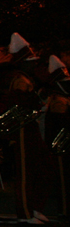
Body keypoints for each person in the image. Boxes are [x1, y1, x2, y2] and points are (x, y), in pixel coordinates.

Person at [0, 33, 52, 224]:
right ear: (22, 63)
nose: (33, 65)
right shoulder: (20, 81)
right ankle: (25, 212)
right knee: (25, 173)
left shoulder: (27, 80)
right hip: (22, 131)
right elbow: (20, 106)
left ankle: (34, 207)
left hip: (30, 129)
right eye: (29, 61)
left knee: (37, 169)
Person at [44, 55, 70, 218]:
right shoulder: (58, 101)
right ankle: (65, 210)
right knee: (64, 178)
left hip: (64, 144)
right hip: (60, 146)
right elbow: (63, 123)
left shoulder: (64, 99)